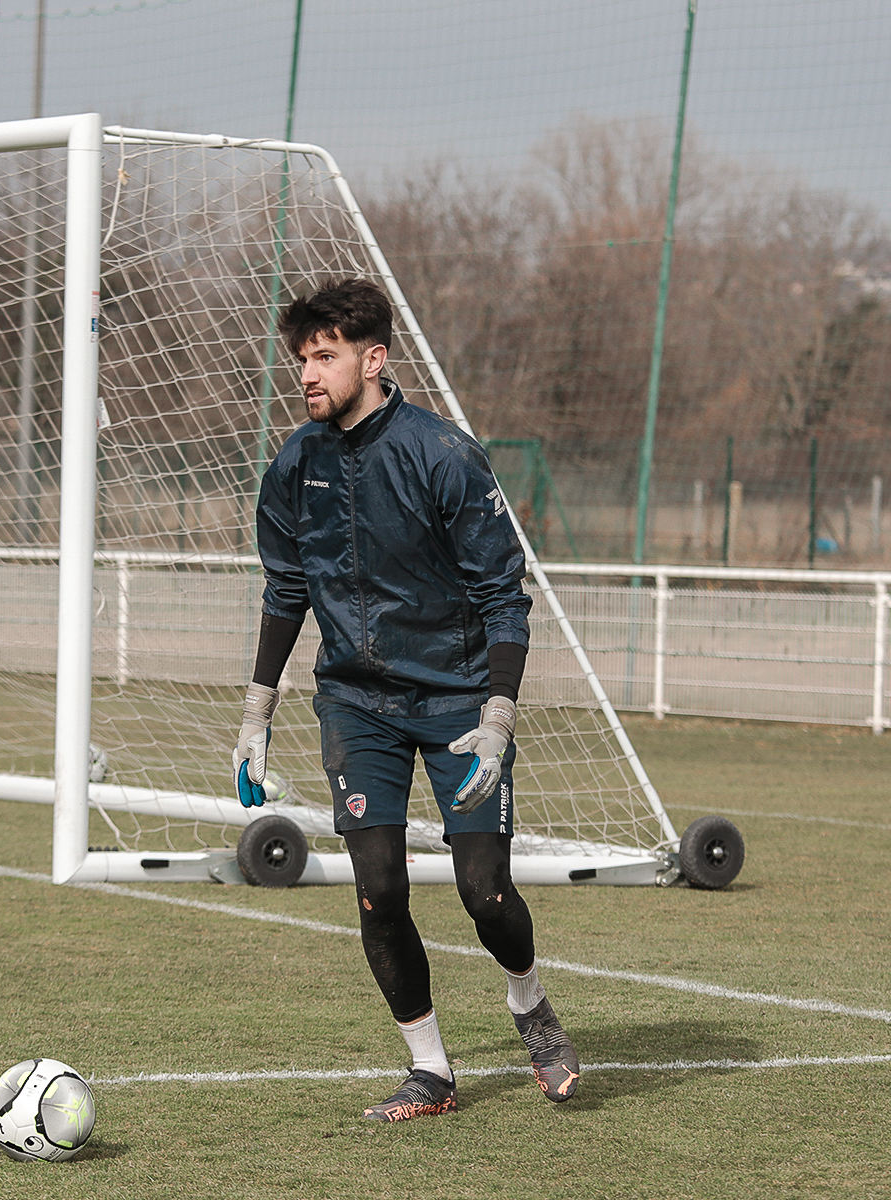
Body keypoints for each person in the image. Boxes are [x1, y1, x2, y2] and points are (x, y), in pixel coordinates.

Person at [232, 277, 580, 1121]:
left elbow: (505, 595)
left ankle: (529, 1002)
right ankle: (430, 1071)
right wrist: (256, 713)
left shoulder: (444, 454)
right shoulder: (293, 467)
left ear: (373, 358)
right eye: (301, 360)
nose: (308, 374)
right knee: (378, 888)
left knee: (484, 892)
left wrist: (497, 718)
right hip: (357, 704)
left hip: (461, 699)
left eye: (326, 357)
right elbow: (286, 592)